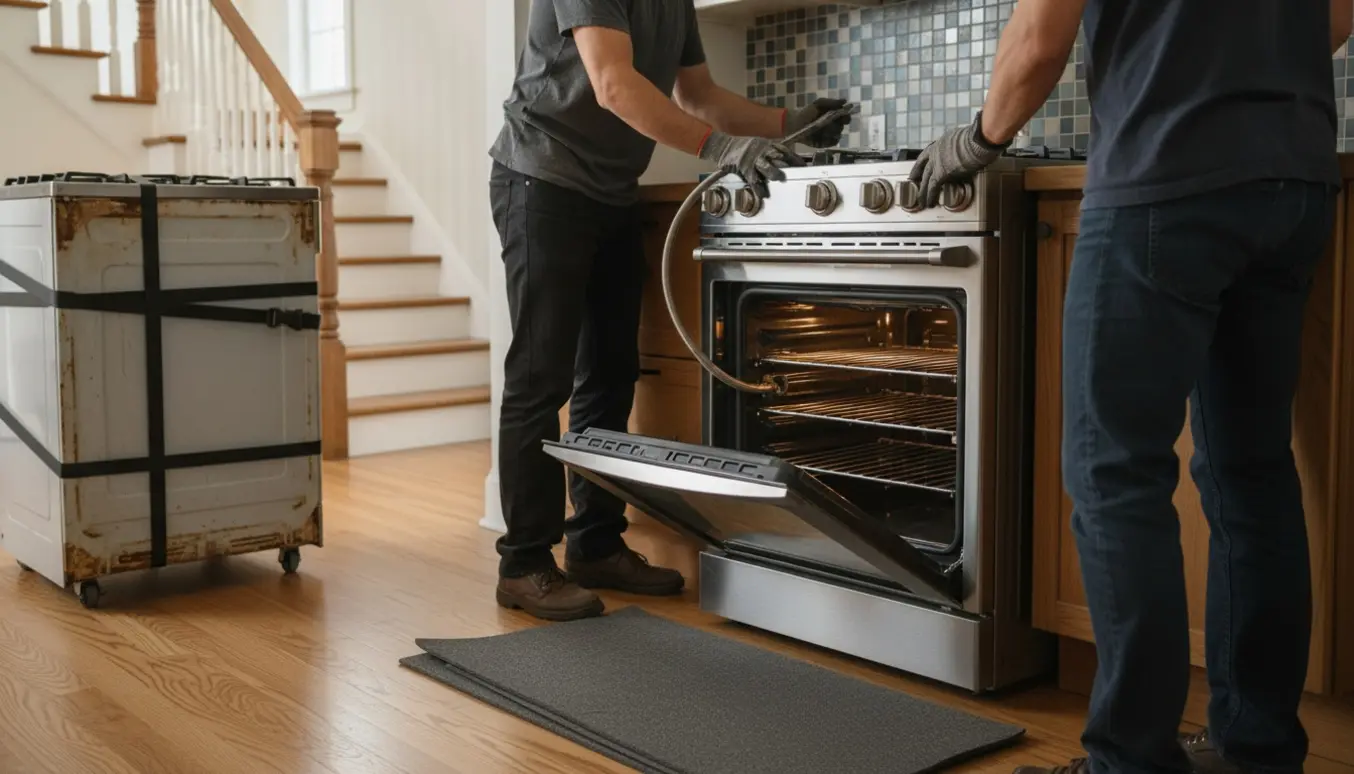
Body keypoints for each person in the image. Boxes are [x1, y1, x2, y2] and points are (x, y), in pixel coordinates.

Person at [909, 0, 1352, 770]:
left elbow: (1040, 36)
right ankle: (1259, 749)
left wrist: (980, 137)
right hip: (1295, 176)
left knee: (1116, 474)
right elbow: (1336, 17)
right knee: (1253, 473)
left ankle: (1130, 760)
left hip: (1167, 172)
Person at [488, 0, 850, 622]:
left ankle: (595, 544)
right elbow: (612, 84)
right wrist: (724, 149)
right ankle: (523, 564)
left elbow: (699, 94)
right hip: (542, 181)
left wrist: (790, 122)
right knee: (539, 378)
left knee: (609, 375)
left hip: (611, 193)